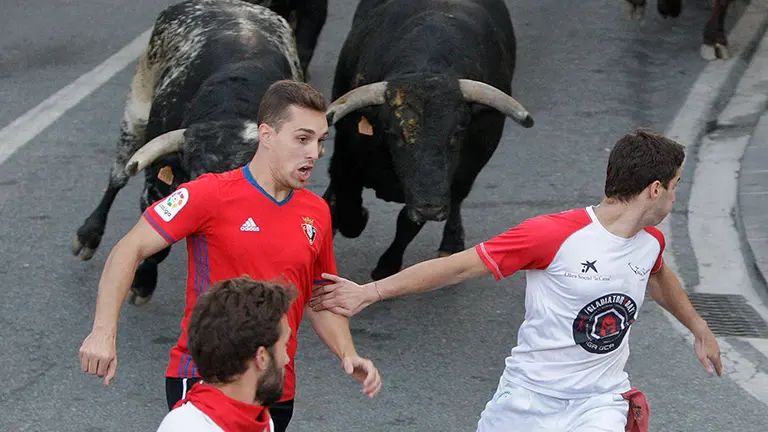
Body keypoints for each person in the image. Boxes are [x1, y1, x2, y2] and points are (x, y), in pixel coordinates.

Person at [309, 128, 723, 431]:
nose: (675, 196)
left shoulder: (648, 243)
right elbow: (459, 266)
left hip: (599, 404)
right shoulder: (552, 234)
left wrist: (698, 326)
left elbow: (659, 277)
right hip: (526, 402)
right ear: (654, 189)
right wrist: (371, 291)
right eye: (675, 186)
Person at [79, 79, 382, 432]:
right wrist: (103, 333)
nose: (314, 153)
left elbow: (318, 295)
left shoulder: (316, 212)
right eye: (302, 139)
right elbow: (128, 249)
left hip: (274, 388)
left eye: (319, 141)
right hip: (205, 379)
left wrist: (348, 353)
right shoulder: (210, 195)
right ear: (266, 135)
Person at [156, 276, 296, 432]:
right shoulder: (189, 427)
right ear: (261, 357)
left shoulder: (257, 418)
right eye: (284, 346)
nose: (286, 359)